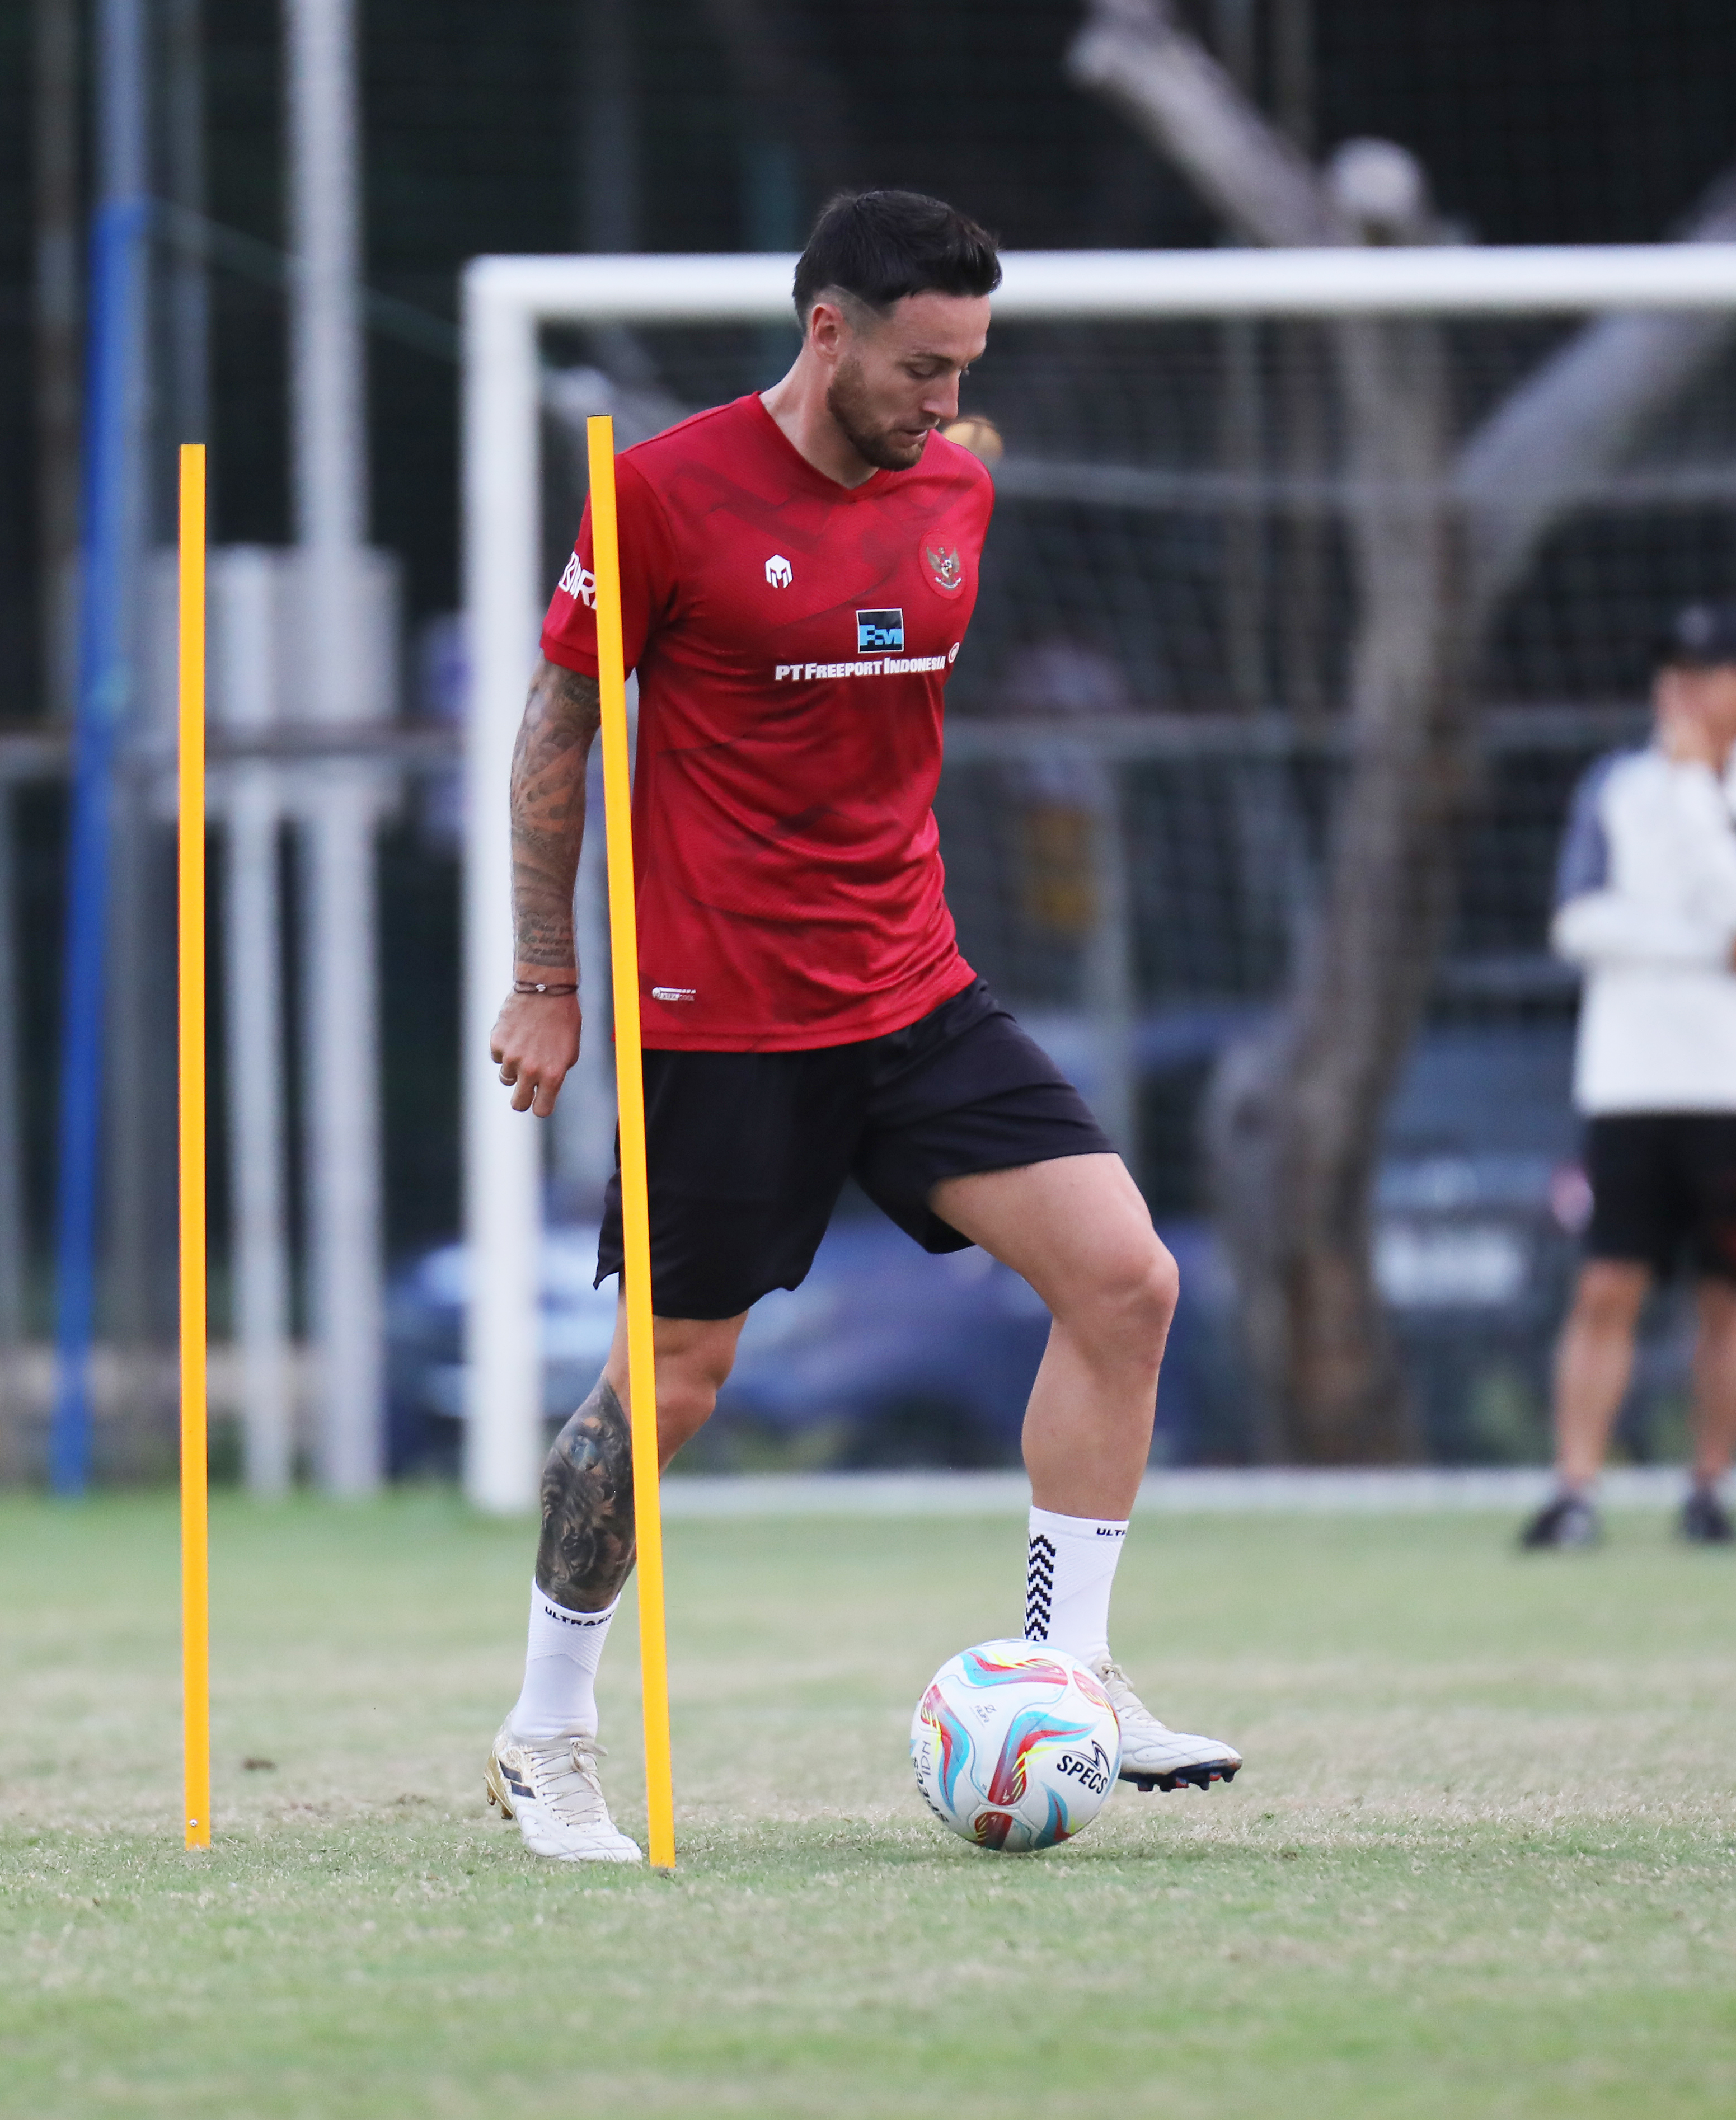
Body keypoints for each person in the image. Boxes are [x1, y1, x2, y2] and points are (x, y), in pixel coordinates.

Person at [480, 190, 1239, 1863]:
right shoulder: (661, 494)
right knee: (673, 1385)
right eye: (917, 365)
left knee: (1127, 1277)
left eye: (967, 367)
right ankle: (545, 1733)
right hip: (718, 1020)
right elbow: (554, 732)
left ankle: (1074, 1668)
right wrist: (549, 975)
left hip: (914, 991)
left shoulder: (959, 480)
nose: (943, 401)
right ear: (826, 330)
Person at [1522, 603, 1736, 1552]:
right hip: (1632, 1079)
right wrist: (1701, 945)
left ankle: (1709, 1488)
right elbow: (1577, 922)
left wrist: (1697, 798)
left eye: (1707, 672)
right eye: (1672, 673)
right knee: (1608, 1281)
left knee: (1728, 1289)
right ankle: (1575, 1491)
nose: (1683, 692)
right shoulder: (1614, 786)